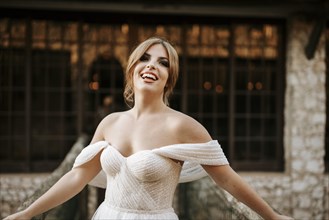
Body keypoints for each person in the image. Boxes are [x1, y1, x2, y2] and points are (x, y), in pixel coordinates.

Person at [4, 37, 293, 220]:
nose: (151, 65)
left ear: (169, 79)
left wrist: (272, 217)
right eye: (144, 58)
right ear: (132, 70)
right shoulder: (110, 123)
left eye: (162, 63)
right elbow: (77, 178)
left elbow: (227, 180)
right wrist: (28, 214)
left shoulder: (182, 125)